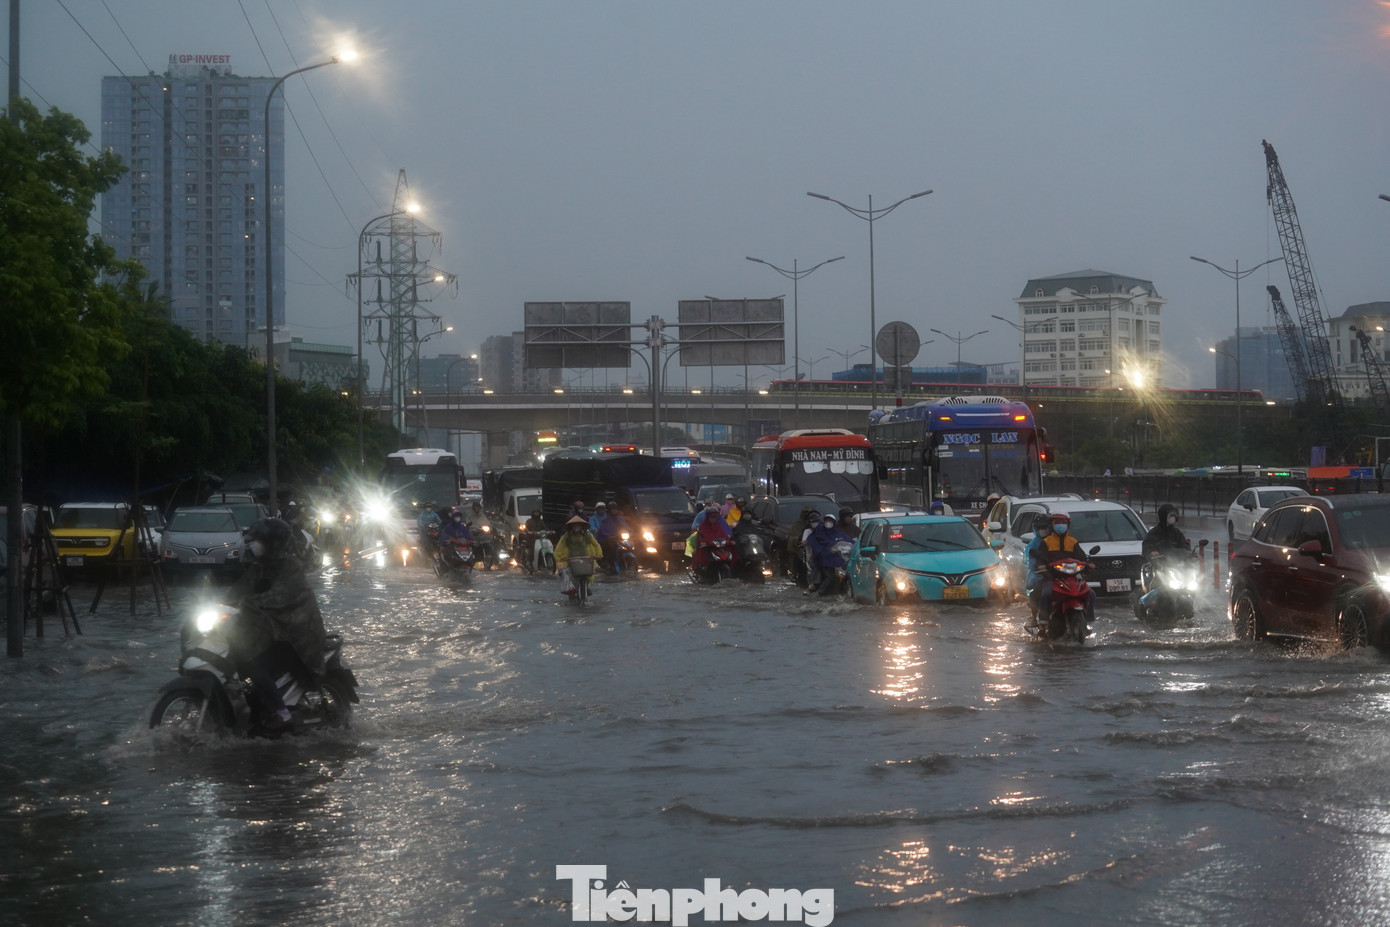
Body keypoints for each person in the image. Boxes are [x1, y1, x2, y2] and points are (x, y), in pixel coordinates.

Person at [223, 517, 327, 731]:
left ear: (273, 544)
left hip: (296, 638)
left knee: (253, 662)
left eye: (260, 540)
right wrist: (220, 605)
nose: (255, 544)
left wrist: (247, 605)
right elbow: (239, 589)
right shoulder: (259, 568)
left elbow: (277, 597)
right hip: (271, 633)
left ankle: (282, 713)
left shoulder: (291, 568)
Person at [1038, 512, 1095, 623]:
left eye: (1063, 522)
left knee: (1091, 594)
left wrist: (1088, 564)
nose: (1060, 525)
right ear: (1052, 524)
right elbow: (1041, 558)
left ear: (1068, 525)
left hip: (1072, 578)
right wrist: (1041, 565)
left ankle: (1089, 621)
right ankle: (1043, 623)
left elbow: (1082, 558)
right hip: (1052, 577)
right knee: (1046, 594)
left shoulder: (1073, 542)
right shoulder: (1046, 542)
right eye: (1057, 522)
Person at [808, 512, 854, 596]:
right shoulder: (819, 531)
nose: (828, 523)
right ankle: (817, 590)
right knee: (830, 576)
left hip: (834, 559)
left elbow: (850, 542)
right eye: (827, 521)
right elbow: (812, 541)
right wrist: (822, 550)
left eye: (830, 521)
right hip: (821, 559)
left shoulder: (838, 533)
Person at [555, 514, 602, 595]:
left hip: (586, 558)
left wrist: (598, 555)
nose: (576, 527)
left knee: (588, 575)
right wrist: (562, 557)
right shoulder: (566, 537)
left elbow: (596, 545)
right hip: (571, 559)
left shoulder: (587, 535)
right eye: (574, 525)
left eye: (578, 525)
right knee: (570, 575)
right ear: (571, 526)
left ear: (581, 526)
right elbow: (558, 549)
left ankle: (586, 587)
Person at [1023, 513, 1053, 626]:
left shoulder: (1057, 540)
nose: (1043, 530)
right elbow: (1031, 560)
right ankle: (1035, 617)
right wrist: (1039, 566)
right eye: (1040, 528)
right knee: (1036, 591)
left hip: (1059, 573)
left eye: (1045, 527)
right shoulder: (1034, 544)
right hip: (1041, 575)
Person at [691, 502, 733, 575]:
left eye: (715, 517)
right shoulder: (703, 526)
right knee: (700, 555)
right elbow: (701, 537)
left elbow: (724, 535)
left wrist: (729, 541)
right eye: (712, 516)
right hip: (707, 549)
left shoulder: (718, 526)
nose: (713, 518)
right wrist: (704, 542)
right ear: (708, 517)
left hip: (718, 548)